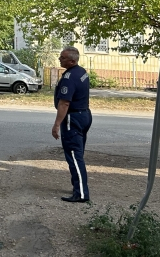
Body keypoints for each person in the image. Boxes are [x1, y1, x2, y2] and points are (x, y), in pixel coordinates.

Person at [52, 46, 92, 203]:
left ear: (72, 61)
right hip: (84, 115)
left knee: (75, 156)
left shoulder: (70, 77)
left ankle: (81, 193)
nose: (59, 59)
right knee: (78, 154)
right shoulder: (81, 72)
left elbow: (64, 103)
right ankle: (78, 186)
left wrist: (56, 125)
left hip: (73, 118)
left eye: (62, 58)